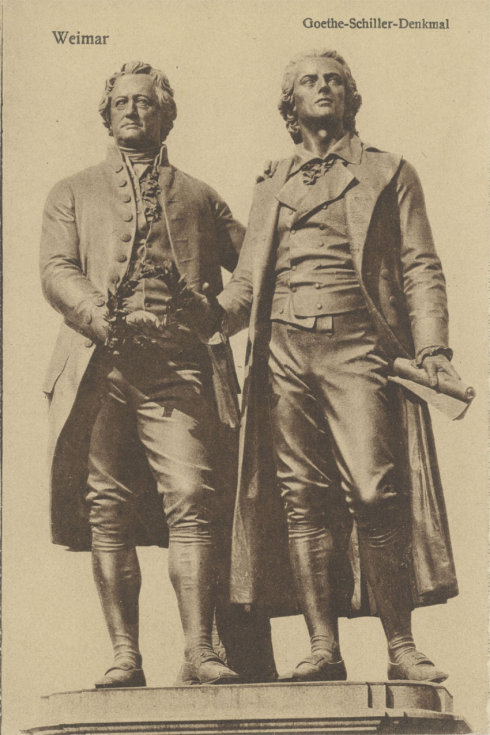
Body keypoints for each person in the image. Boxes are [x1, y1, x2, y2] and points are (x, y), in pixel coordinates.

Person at [217, 49, 460, 683]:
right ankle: (322, 646)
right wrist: (201, 317)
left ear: (350, 97)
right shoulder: (271, 182)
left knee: (375, 492)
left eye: (333, 80)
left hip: (357, 345)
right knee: (300, 498)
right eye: (309, 81)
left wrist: (433, 347)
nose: (323, 87)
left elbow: (420, 265)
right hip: (282, 352)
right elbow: (245, 284)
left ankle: (401, 646)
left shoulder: (389, 170)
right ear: (290, 104)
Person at [40, 61, 276, 689]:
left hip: (179, 369)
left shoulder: (200, 195)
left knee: (194, 497)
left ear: (167, 115)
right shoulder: (71, 191)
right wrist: (101, 317)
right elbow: (57, 270)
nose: (132, 110)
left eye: (145, 102)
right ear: (106, 114)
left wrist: (215, 314)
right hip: (98, 367)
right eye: (121, 101)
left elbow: (255, 269)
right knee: (107, 508)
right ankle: (125, 655)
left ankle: (201, 650)